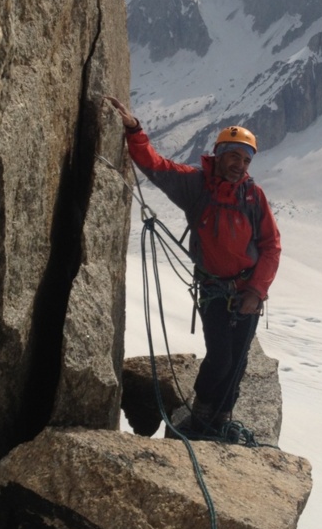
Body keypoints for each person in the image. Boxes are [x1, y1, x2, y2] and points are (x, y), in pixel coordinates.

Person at [106, 96, 281, 436]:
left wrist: (257, 291)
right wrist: (135, 131)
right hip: (215, 289)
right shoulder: (196, 184)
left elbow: (271, 246)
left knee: (238, 360)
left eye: (245, 159)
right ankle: (202, 413)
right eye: (233, 156)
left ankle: (220, 417)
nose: (239, 165)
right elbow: (155, 166)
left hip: (246, 290)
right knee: (221, 357)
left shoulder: (253, 196)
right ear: (219, 154)